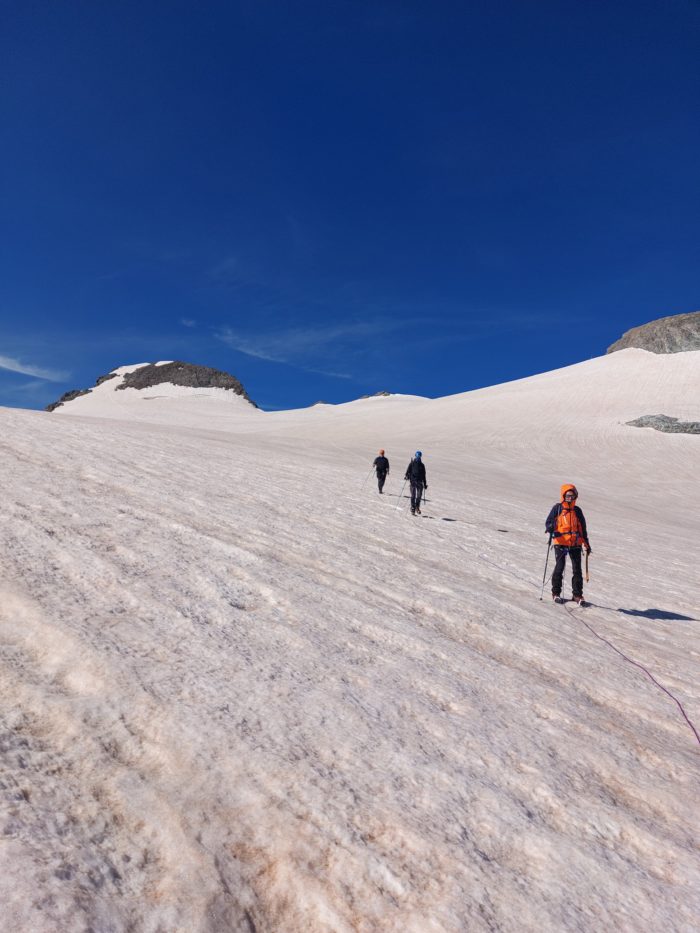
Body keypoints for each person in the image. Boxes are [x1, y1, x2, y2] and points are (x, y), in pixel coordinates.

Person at [545, 484, 592, 605]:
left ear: (575, 496)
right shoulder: (557, 508)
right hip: (560, 543)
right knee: (559, 567)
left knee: (577, 570)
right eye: (567, 496)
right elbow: (548, 522)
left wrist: (586, 543)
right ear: (563, 496)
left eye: (572, 496)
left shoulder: (577, 511)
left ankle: (577, 595)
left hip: (575, 544)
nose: (569, 498)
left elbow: (582, 528)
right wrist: (550, 527)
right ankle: (556, 593)